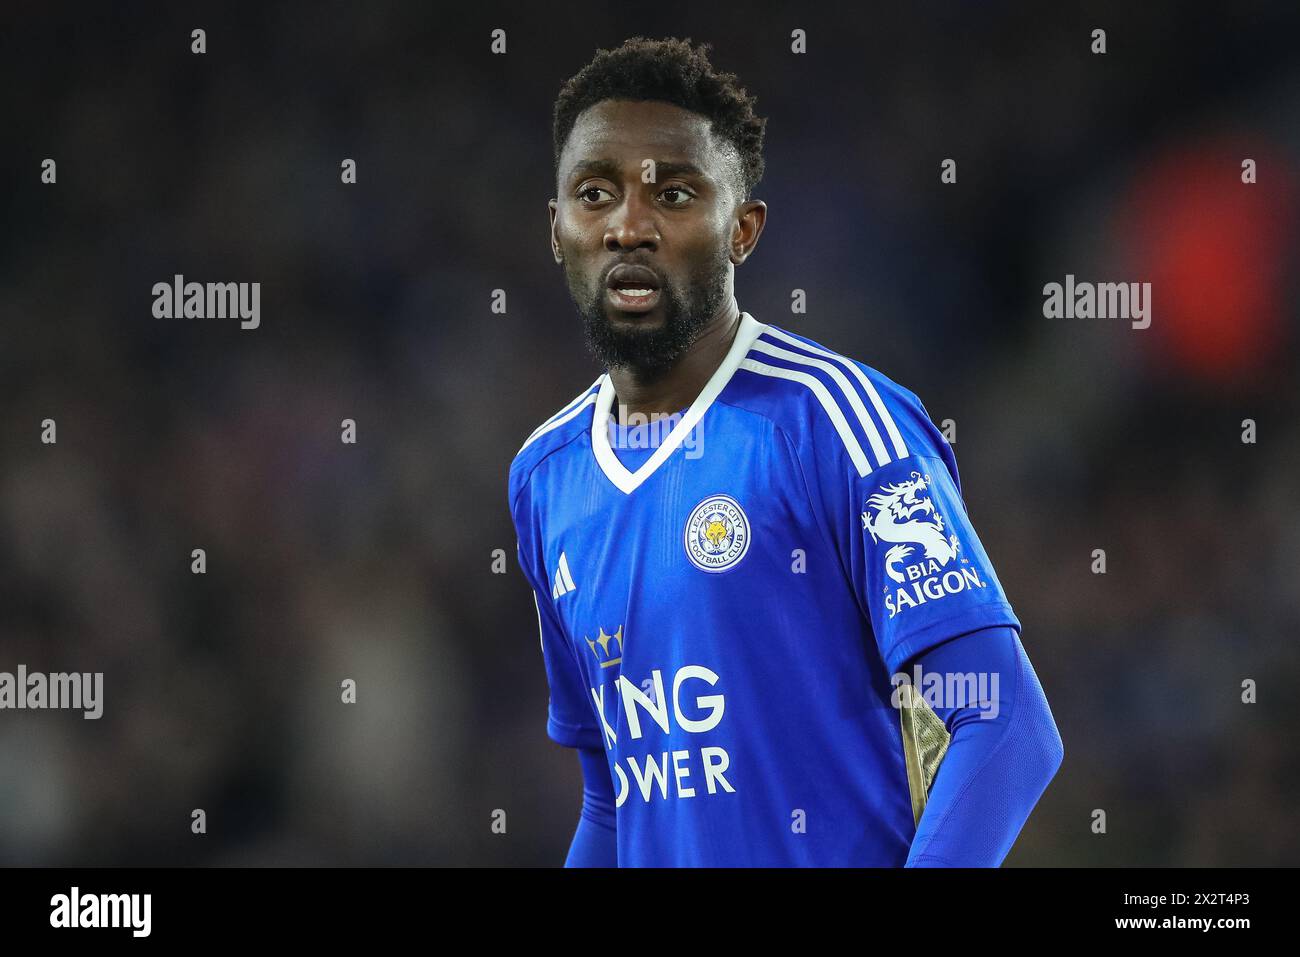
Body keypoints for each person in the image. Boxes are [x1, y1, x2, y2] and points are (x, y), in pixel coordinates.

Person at [508, 37, 1063, 866]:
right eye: (596, 193)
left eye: (675, 193)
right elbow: (613, 799)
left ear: (743, 230)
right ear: (558, 229)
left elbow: (1006, 721)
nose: (630, 224)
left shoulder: (833, 422)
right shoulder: (545, 475)